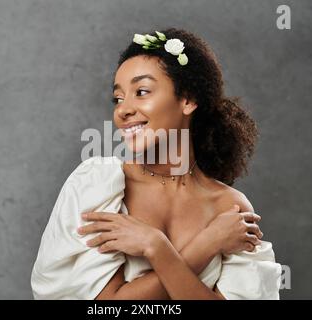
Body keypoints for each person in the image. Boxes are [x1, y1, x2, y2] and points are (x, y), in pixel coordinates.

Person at [31, 28, 282, 300]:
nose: (122, 110)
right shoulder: (98, 187)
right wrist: (197, 245)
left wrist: (159, 250)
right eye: (118, 98)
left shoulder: (230, 209)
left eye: (141, 91)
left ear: (188, 99)